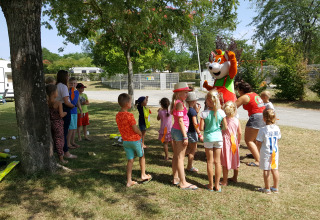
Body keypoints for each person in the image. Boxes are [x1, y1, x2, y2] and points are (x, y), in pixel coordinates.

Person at [116, 93, 152, 187]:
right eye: (130, 101)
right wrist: (140, 133)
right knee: (142, 156)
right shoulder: (129, 115)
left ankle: (129, 181)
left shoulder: (118, 115)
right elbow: (135, 129)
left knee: (130, 160)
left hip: (126, 142)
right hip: (135, 141)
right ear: (127, 103)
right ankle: (143, 175)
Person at [170, 82, 198, 190]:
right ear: (178, 93)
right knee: (181, 158)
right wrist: (185, 136)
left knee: (176, 156)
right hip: (180, 132)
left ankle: (175, 178)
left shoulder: (178, 102)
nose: (187, 95)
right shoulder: (180, 104)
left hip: (176, 131)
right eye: (185, 92)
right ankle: (183, 182)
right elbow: (181, 121)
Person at [200, 90, 227, 192]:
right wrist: (219, 127)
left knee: (209, 162)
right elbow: (225, 127)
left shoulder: (204, 113)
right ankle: (217, 185)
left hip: (208, 138)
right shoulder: (221, 112)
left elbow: (201, 128)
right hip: (218, 138)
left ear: (207, 101)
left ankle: (210, 185)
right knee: (218, 162)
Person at [235, 80, 265, 167]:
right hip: (263, 117)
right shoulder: (254, 94)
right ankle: (256, 154)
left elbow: (232, 106)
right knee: (255, 139)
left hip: (256, 118)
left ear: (241, 90)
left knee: (249, 140)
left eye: (238, 90)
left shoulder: (244, 97)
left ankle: (258, 160)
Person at [256, 108, 281, 194]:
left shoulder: (262, 129)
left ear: (264, 118)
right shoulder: (277, 128)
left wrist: (258, 150)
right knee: (275, 169)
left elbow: (258, 142)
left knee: (266, 170)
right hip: (275, 152)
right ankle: (275, 187)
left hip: (266, 152)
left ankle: (267, 188)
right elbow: (277, 139)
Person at [56, 70, 77, 159]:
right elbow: (66, 101)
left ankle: (59, 150)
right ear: (64, 77)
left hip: (57, 108)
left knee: (60, 132)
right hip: (64, 108)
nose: (68, 78)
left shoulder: (56, 85)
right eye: (67, 76)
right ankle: (66, 152)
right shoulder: (63, 86)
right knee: (64, 132)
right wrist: (73, 105)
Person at [220, 101, 242, 186]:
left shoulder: (223, 120)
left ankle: (225, 181)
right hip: (234, 141)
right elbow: (239, 132)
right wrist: (238, 142)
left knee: (225, 160)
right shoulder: (236, 120)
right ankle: (235, 177)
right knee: (235, 159)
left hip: (225, 141)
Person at [46, 84, 68, 164]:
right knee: (59, 140)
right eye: (56, 91)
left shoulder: (46, 103)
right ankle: (61, 158)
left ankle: (51, 154)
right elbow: (61, 115)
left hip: (50, 123)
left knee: (52, 139)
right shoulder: (58, 103)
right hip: (58, 123)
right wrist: (65, 113)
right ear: (53, 93)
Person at [185, 91, 203, 172]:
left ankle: (179, 160)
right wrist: (199, 133)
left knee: (189, 149)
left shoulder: (189, 110)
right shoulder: (192, 111)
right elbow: (195, 122)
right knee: (192, 150)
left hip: (189, 132)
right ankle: (189, 167)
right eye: (196, 100)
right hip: (192, 132)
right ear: (193, 101)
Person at [67, 77, 82, 149]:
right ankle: (68, 143)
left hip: (75, 111)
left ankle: (72, 141)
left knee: (74, 128)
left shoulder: (76, 92)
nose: (73, 85)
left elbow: (78, 101)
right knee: (70, 128)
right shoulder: (67, 91)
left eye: (74, 83)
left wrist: (80, 109)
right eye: (71, 83)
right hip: (69, 111)